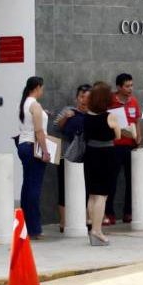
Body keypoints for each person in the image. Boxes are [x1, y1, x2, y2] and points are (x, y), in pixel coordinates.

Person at [84, 82, 121, 245]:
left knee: (92, 194)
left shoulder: (87, 116)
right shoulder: (110, 116)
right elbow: (117, 135)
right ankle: (97, 231)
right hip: (106, 155)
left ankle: (92, 227)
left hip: (90, 154)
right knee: (102, 196)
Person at [54, 84, 91, 233]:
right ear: (77, 98)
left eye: (88, 97)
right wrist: (66, 117)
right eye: (82, 97)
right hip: (65, 155)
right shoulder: (67, 110)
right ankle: (63, 221)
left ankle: (86, 218)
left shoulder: (92, 115)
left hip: (85, 156)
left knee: (87, 186)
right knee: (63, 187)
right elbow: (55, 127)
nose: (84, 100)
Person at [105, 73, 142, 225]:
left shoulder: (134, 101)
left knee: (131, 180)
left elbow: (137, 121)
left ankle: (128, 212)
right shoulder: (110, 100)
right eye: (127, 86)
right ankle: (109, 213)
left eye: (131, 85)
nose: (130, 89)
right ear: (119, 87)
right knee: (111, 181)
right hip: (114, 146)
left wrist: (139, 136)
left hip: (130, 145)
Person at [17, 76, 50, 239]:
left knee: (27, 187)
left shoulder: (24, 103)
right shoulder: (35, 105)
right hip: (33, 147)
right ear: (37, 87)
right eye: (42, 88)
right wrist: (45, 151)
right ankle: (34, 228)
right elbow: (39, 131)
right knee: (34, 188)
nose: (42, 91)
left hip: (23, 145)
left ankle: (24, 226)